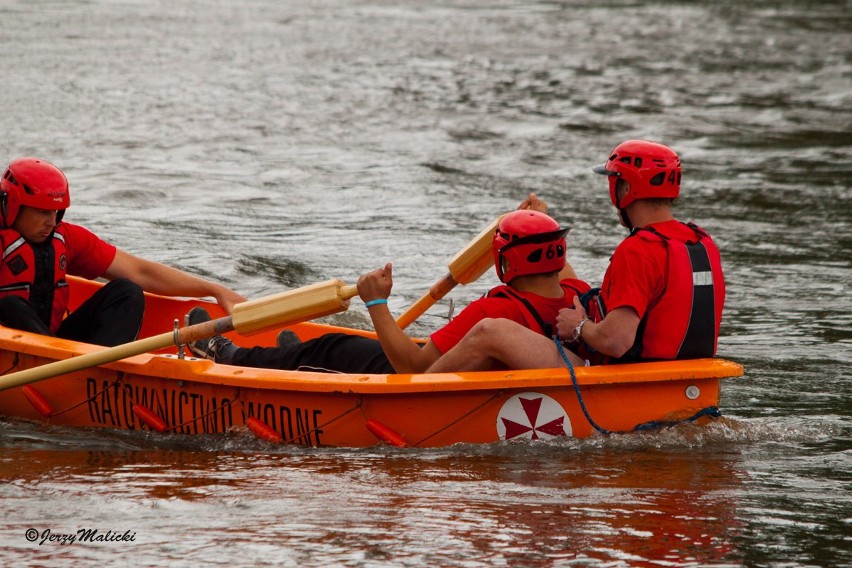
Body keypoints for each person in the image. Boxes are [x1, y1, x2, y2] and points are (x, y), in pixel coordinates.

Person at [426, 139, 726, 372]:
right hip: (686, 378)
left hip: (622, 381)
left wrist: (579, 327)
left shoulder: (638, 249)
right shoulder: (701, 240)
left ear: (624, 187)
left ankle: (409, 403)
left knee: (491, 331)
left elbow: (616, 341)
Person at [185, 203, 591, 374]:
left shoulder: (495, 311)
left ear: (504, 263)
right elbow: (556, 263)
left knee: (329, 348)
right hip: (475, 370)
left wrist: (376, 301)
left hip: (416, 376)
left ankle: (229, 353)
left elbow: (412, 368)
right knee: (316, 347)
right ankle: (287, 354)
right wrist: (537, 217)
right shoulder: (579, 294)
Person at [0, 157, 246, 347]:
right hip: (12, 346)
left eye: (57, 212)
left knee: (126, 290)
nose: (52, 222)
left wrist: (214, 289)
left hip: (58, 350)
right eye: (43, 212)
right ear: (13, 205)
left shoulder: (66, 237)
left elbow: (141, 272)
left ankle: (102, 372)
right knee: (10, 305)